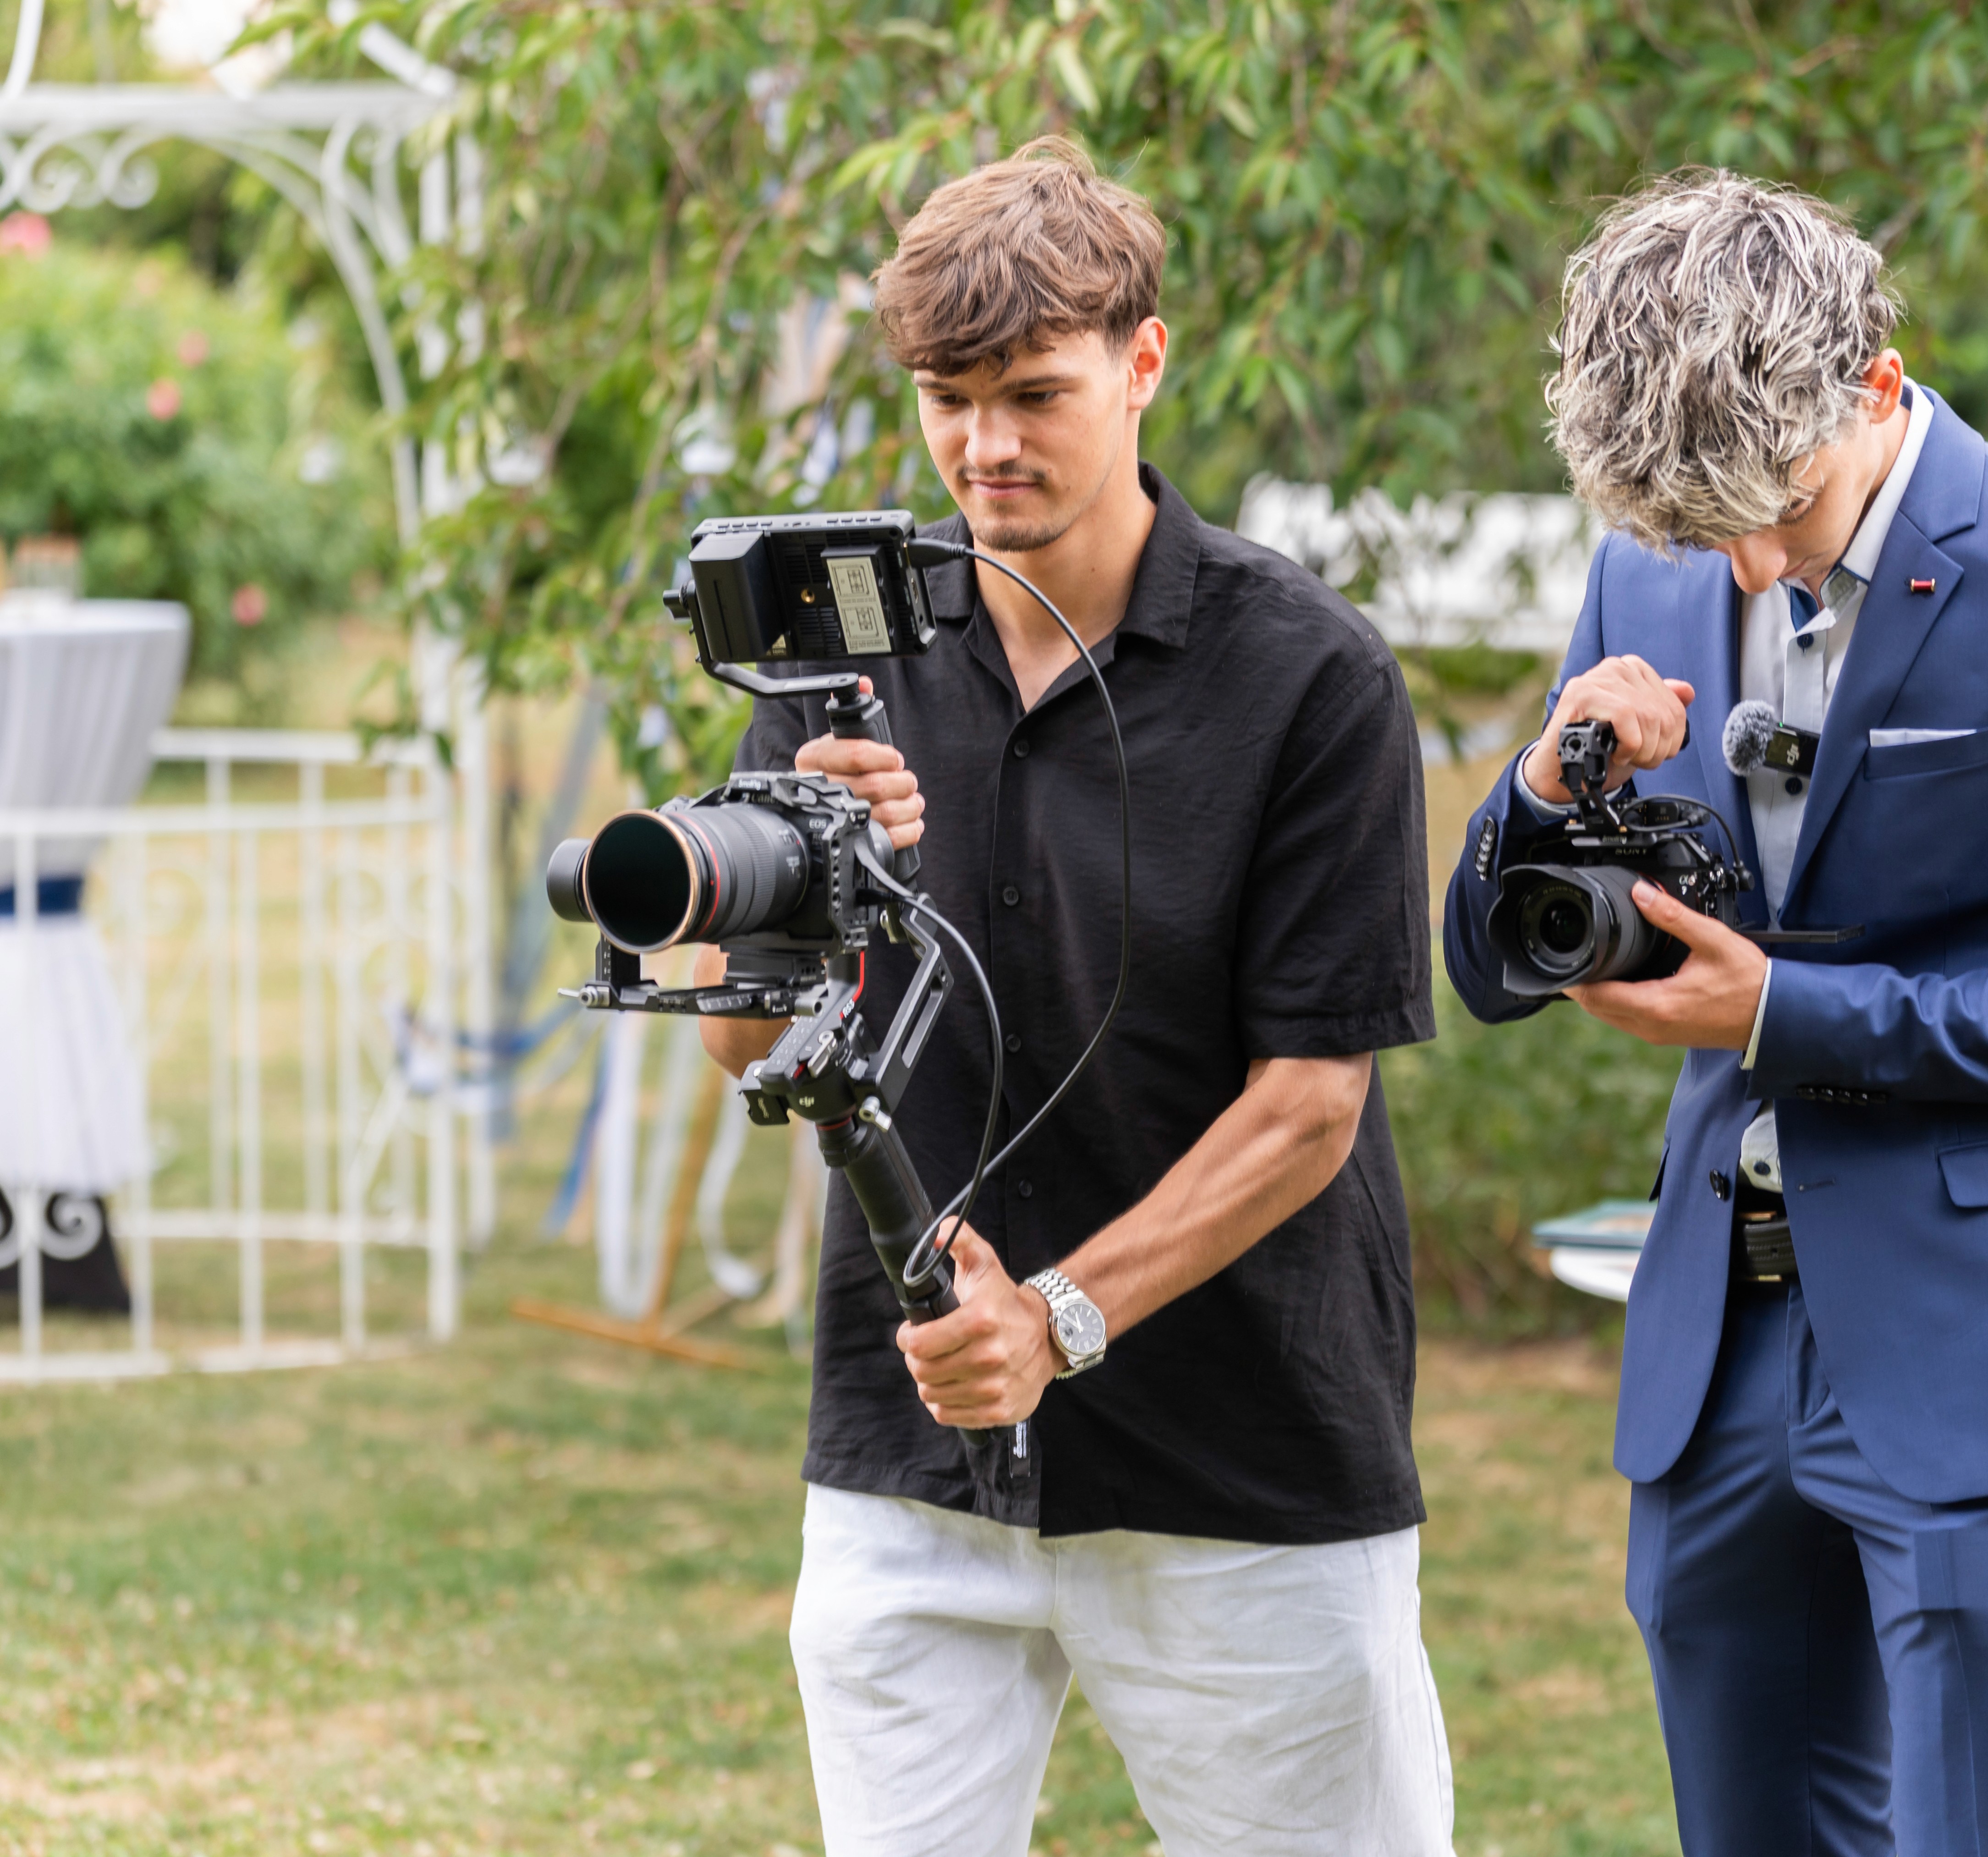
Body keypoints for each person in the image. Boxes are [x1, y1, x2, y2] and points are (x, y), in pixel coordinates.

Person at [1443, 170, 1988, 1856]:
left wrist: (1784, 1014)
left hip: (1980, 1347)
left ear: (1873, 388)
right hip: (1713, 1354)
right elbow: (1484, 965)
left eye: (1778, 511)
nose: (1737, 560)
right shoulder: (1651, 563)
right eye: (1688, 528)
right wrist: (1538, 778)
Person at [696, 139, 1452, 1857]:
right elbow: (744, 1041)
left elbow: (1309, 1103)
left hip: (1243, 1453)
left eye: (1033, 392)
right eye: (946, 399)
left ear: (1146, 361)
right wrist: (805, 887)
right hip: (912, 1452)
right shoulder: (839, 657)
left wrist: (1058, 1321)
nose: (985, 446)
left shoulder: (1310, 676)